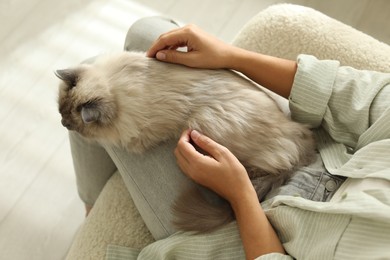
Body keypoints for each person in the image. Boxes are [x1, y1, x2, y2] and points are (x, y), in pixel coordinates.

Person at [70, 7, 390, 260]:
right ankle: (94, 198)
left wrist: (238, 194)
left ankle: (92, 205)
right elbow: (360, 97)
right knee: (146, 31)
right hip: (310, 150)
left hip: (249, 228)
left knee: (92, 72)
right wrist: (231, 56)